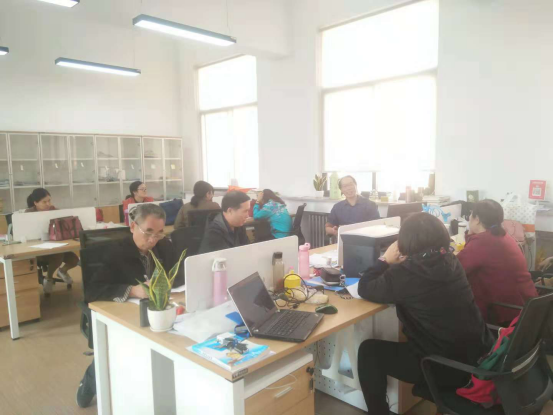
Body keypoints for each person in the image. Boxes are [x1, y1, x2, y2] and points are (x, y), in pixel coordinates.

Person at [356, 212, 494, 415]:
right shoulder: (452, 261)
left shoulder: (405, 273)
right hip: (477, 357)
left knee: (369, 352)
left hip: (443, 366)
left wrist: (384, 260)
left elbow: (365, 287)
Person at [76, 203, 184, 408]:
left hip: (157, 309)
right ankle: (90, 380)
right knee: (116, 348)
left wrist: (165, 284)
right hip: (122, 312)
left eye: (159, 233)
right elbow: (92, 290)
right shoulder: (112, 252)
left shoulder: (164, 246)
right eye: (148, 232)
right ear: (133, 227)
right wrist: (133, 290)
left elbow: (178, 274)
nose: (153, 239)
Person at [457, 199, 537, 323]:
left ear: (477, 219)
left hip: (508, 314)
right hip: (526, 306)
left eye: (470, 216)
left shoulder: (483, 242)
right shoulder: (502, 235)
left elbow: (455, 268)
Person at [25, 188, 79, 294]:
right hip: (38, 248)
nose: (48, 204)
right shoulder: (28, 213)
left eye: (49, 200)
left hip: (56, 244)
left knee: (75, 260)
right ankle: (48, 278)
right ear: (35, 203)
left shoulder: (55, 211)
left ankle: (62, 271)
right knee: (58, 255)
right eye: (44, 202)